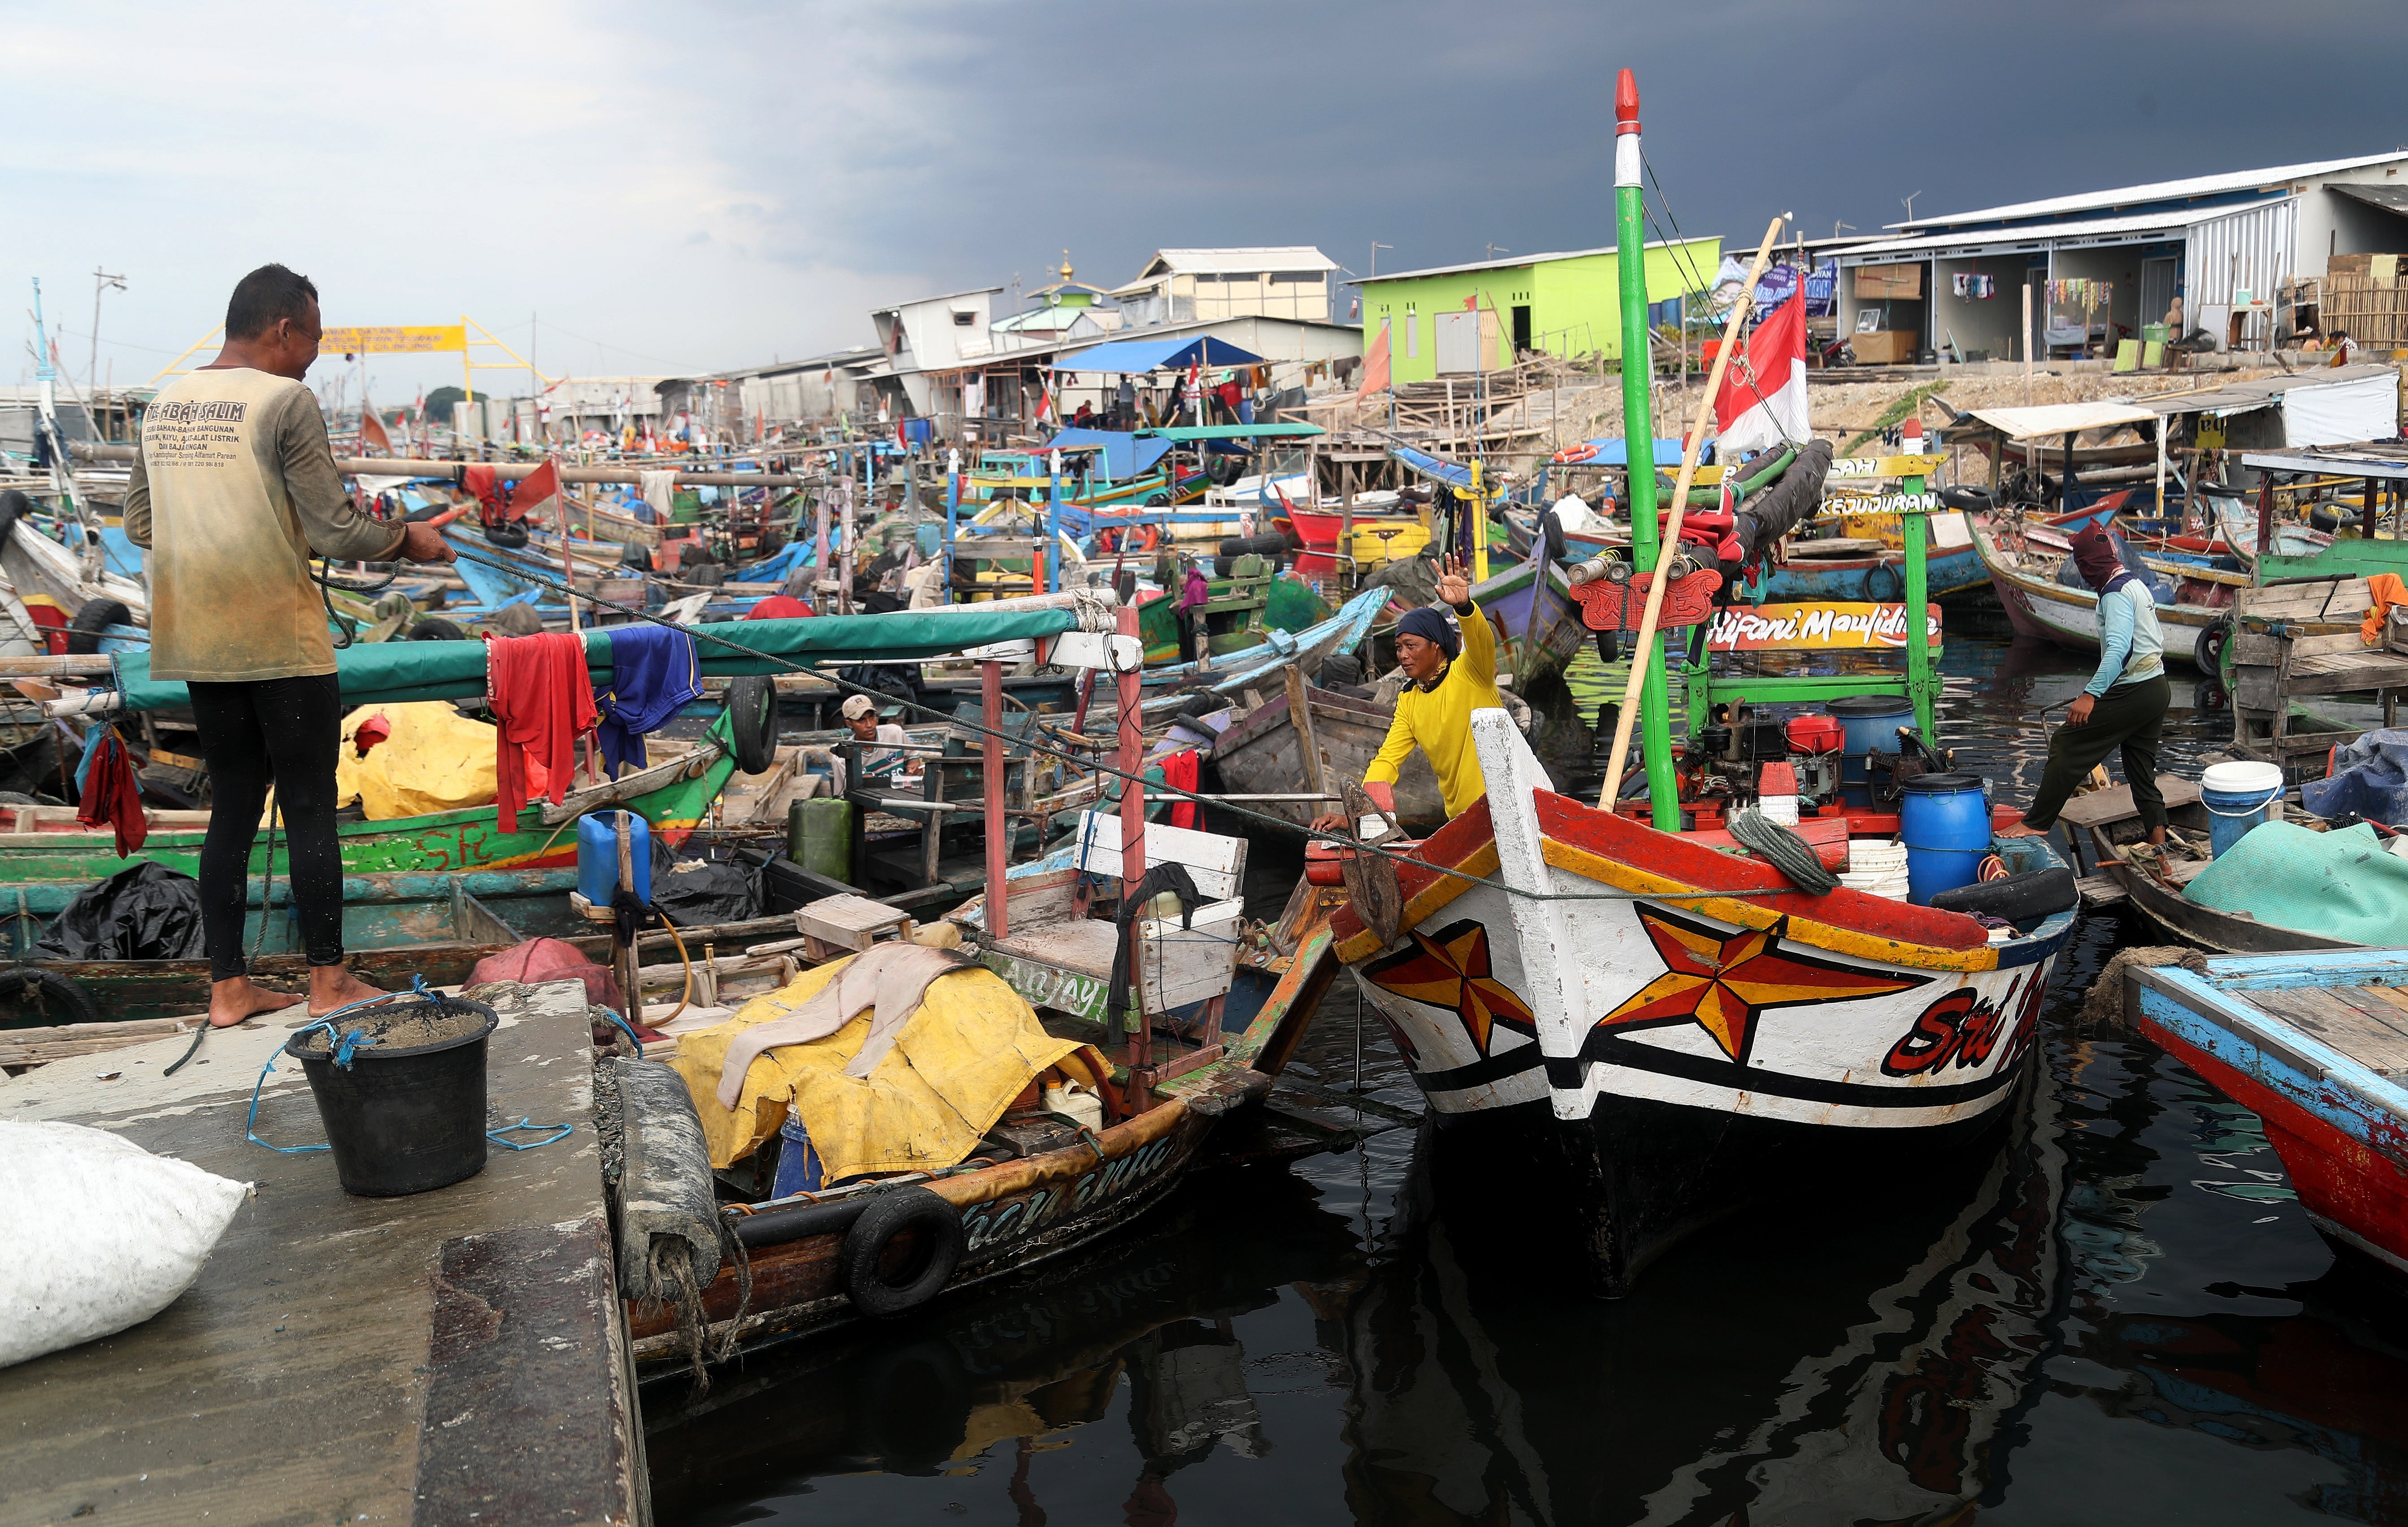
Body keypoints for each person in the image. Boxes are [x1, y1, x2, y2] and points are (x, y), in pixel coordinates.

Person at [124, 263, 455, 1027]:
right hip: (279, 638)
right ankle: (328, 981)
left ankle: (229, 989)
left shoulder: (165, 399)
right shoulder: (286, 400)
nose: (313, 356)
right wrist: (414, 541)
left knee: (233, 808)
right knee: (308, 807)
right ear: (283, 330)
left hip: (197, 641)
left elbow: (143, 527)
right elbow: (342, 529)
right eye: (311, 338)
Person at [1312, 556, 1499, 834]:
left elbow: (1481, 640)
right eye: (1399, 647)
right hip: (1462, 823)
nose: (1403, 655)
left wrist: (1464, 606)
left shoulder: (1471, 672)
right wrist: (1354, 814)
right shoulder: (1409, 700)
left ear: (1437, 647)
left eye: (1411, 646)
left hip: (1503, 808)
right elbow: (1387, 762)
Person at [2018, 526, 2169, 846]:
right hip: (2157, 685)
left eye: (2080, 564)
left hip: (2136, 689)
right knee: (2141, 772)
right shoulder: (2135, 584)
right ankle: (2160, 846)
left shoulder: (2115, 594)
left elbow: (2119, 651)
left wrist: (2090, 694)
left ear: (2088, 567)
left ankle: (2037, 823)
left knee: (2066, 743)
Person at [841, 693, 911, 777]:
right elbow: (843, 790)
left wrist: (913, 764)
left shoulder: (895, 733)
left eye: (872, 717)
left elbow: (913, 755)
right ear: (849, 724)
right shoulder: (843, 758)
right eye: (862, 720)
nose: (869, 725)